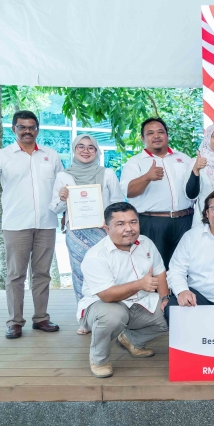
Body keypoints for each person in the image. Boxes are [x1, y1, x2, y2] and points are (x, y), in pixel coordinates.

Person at [0, 110, 63, 340]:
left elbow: (62, 188)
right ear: (13, 129)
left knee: (42, 273)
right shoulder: (2, 156)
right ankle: (15, 322)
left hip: (46, 222)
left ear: (37, 129)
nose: (26, 130)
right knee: (15, 275)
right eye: (21, 127)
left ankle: (41, 318)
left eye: (31, 127)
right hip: (16, 224)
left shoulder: (51, 155)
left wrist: (66, 213)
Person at [77, 202, 169, 378]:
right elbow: (107, 295)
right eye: (120, 224)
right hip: (101, 307)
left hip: (140, 303)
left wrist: (165, 300)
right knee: (113, 315)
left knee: (175, 313)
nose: (129, 228)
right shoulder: (96, 256)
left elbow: (160, 273)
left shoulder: (146, 243)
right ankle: (99, 360)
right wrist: (139, 284)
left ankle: (130, 340)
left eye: (133, 222)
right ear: (107, 228)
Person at [49, 134, 125, 334]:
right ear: (74, 150)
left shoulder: (107, 173)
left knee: (107, 275)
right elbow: (55, 208)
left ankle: (109, 318)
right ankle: (84, 319)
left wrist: (109, 222)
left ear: (97, 151)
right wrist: (63, 197)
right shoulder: (63, 176)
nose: (86, 150)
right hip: (76, 234)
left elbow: (118, 203)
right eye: (80, 146)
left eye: (91, 147)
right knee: (80, 276)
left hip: (104, 232)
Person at [119, 118, 194, 266]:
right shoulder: (135, 162)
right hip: (153, 223)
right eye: (150, 133)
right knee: (154, 268)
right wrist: (147, 177)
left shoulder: (183, 159)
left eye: (161, 132)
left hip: (185, 221)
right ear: (143, 138)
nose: (156, 136)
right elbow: (129, 192)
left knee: (185, 267)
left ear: (167, 135)